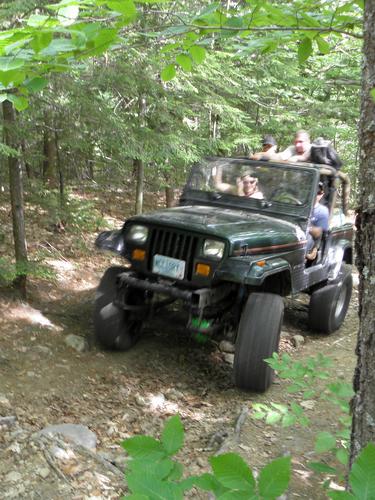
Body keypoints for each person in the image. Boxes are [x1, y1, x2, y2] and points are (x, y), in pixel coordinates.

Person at [306, 182, 329, 261]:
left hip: (311, 246)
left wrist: (305, 228)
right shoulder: (298, 205)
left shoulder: (322, 210)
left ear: (322, 194)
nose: (316, 195)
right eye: (314, 192)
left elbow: (317, 233)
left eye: (318, 193)